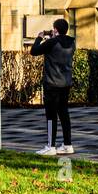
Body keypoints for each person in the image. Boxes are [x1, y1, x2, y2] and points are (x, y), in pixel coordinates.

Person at [30, 18, 75, 156]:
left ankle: (51, 146)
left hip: (52, 84)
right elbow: (60, 45)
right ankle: (68, 145)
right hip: (65, 83)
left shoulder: (52, 42)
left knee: (51, 115)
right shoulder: (72, 42)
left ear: (55, 29)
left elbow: (34, 51)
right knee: (64, 114)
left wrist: (39, 37)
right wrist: (54, 37)